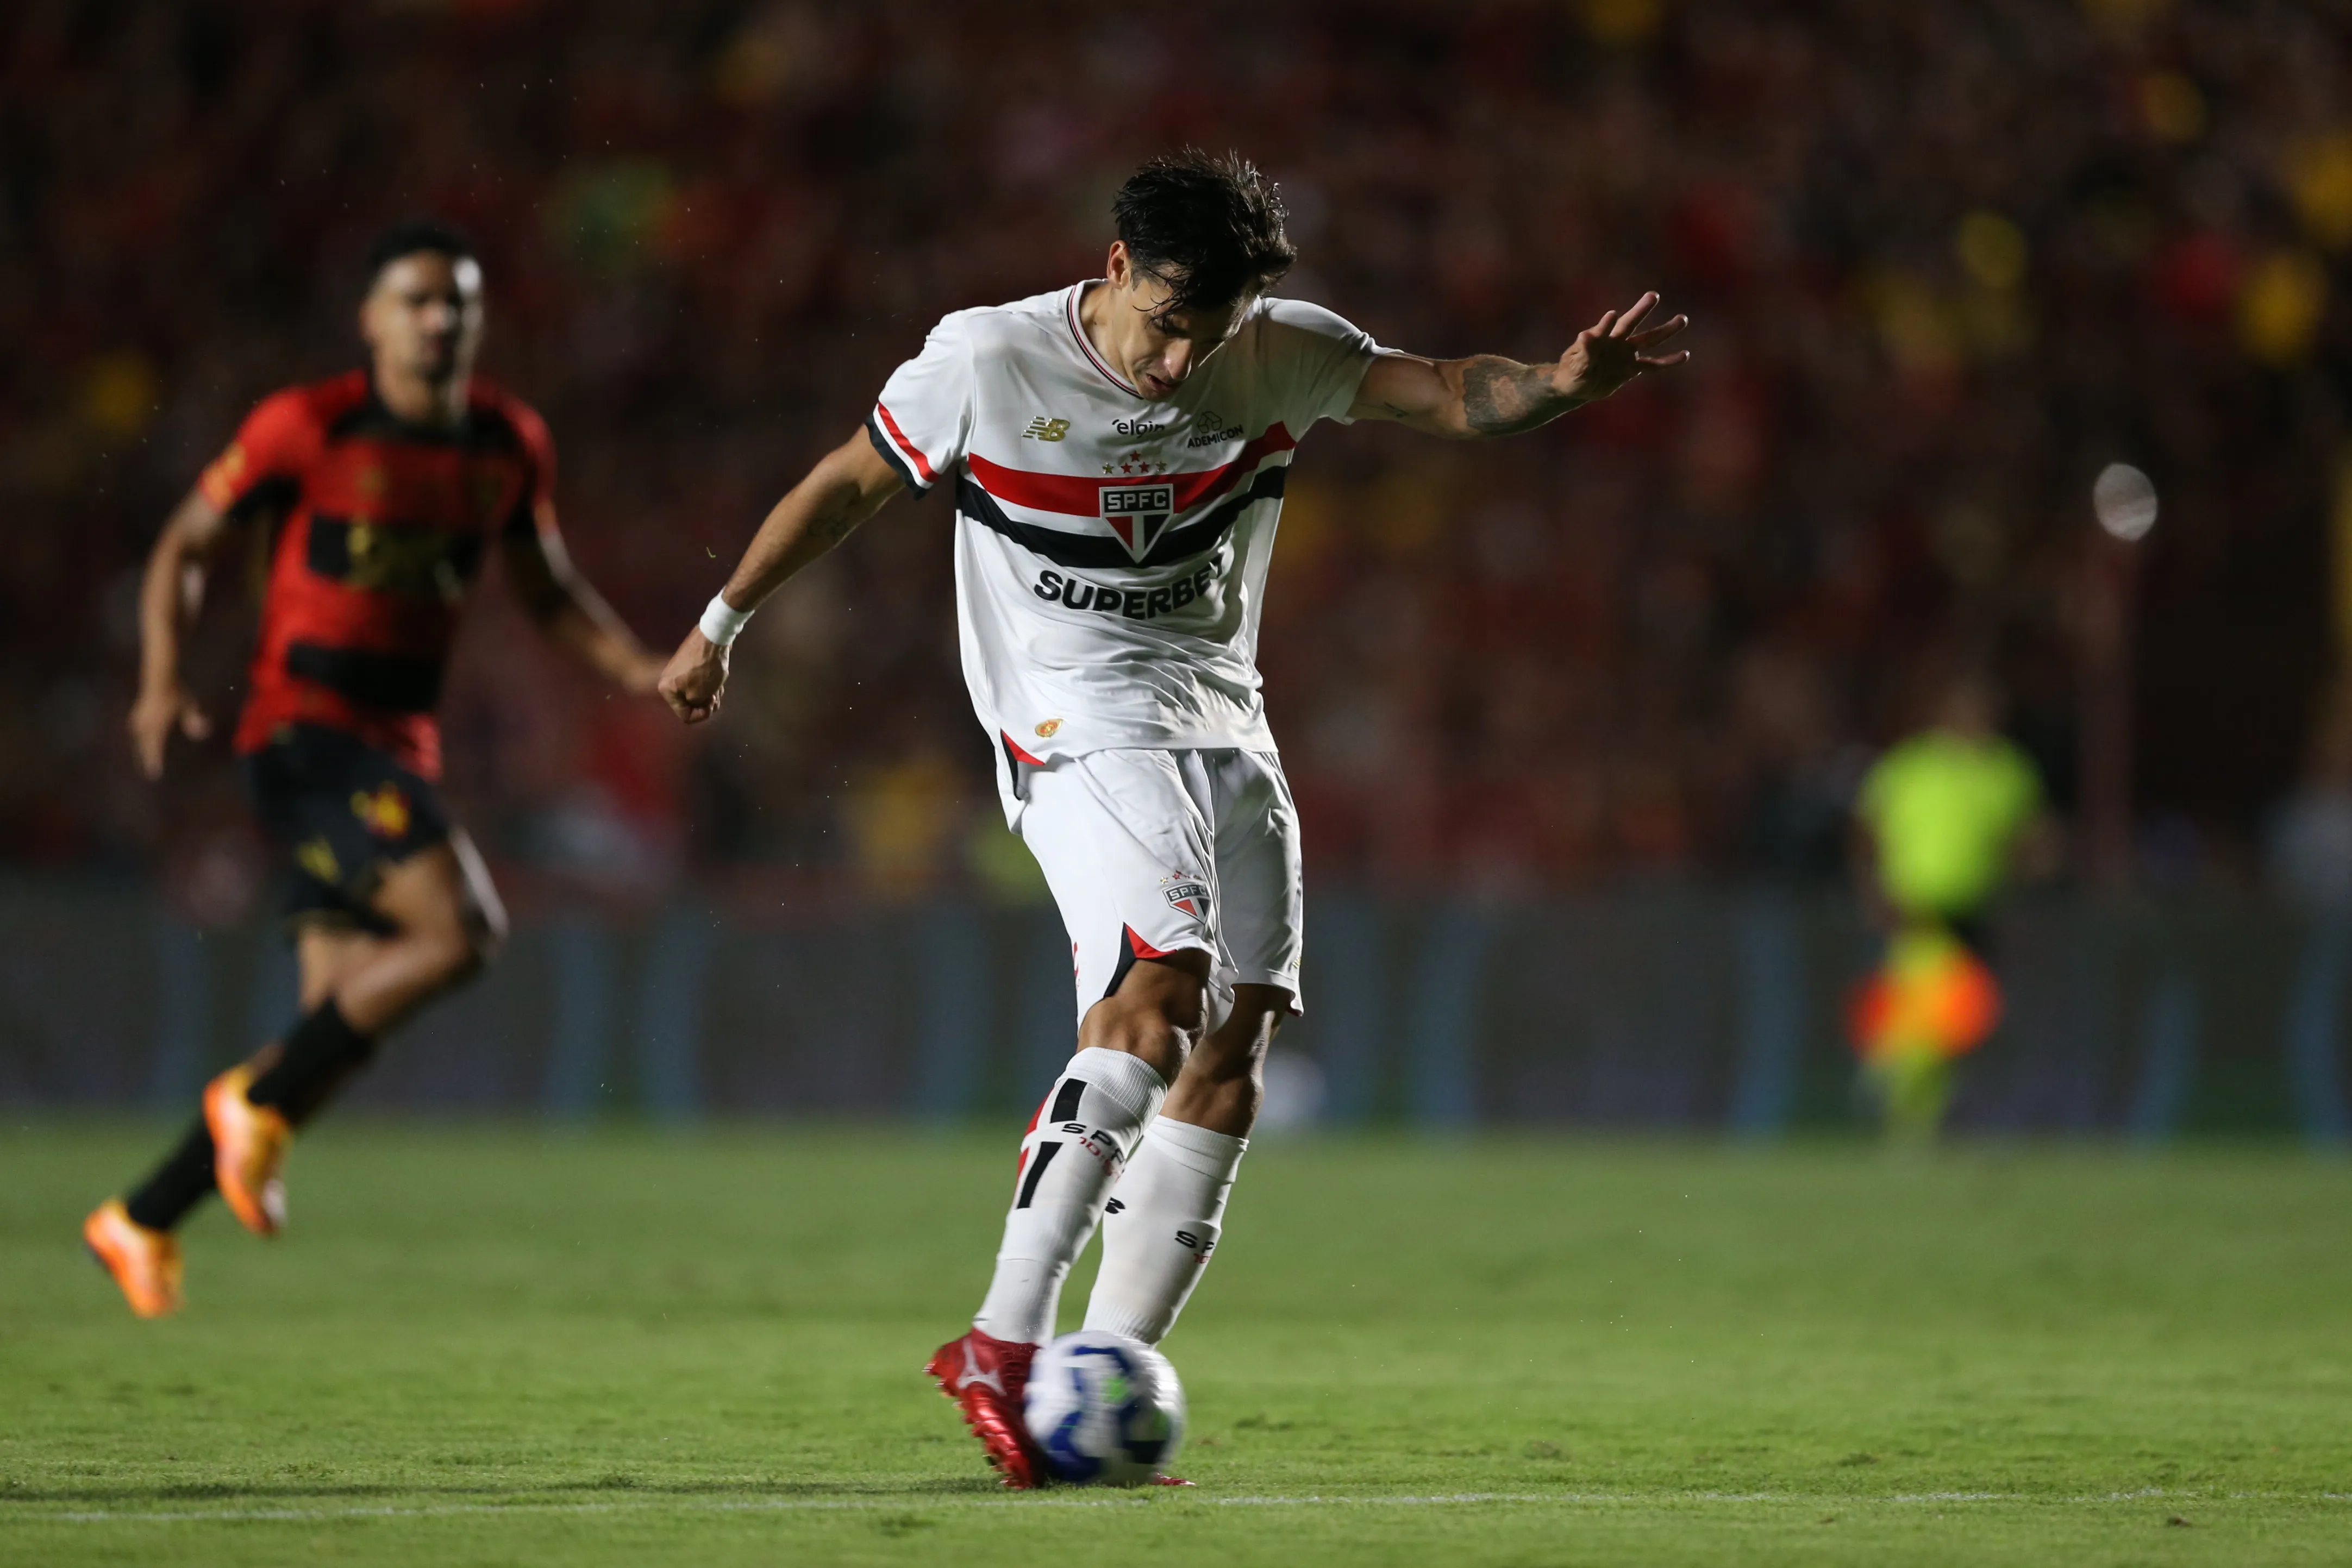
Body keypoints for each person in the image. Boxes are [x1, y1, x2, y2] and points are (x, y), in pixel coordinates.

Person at [655, 150, 1688, 1486]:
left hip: (1222, 718)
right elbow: (850, 481)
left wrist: (1554, 388)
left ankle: (1099, 1378)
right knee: (1159, 994)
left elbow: (1441, 392)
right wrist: (720, 623)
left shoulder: (1274, 354)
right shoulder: (985, 362)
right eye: (1165, 323)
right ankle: (1000, 1341)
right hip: (1075, 720)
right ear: (1115, 268)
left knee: (1235, 1039)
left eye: (1211, 332)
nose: (1176, 362)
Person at [84, 221, 667, 1317]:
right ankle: (245, 1107)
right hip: (304, 733)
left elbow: (543, 587)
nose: (439, 319)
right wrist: (161, 679)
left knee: (332, 1033)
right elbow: (185, 547)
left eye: (458, 302)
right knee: (461, 932)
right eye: (416, 301)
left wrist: (632, 664)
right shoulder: (308, 426)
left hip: (395, 744)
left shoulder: (505, 442)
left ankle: (142, 1216)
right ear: (372, 319)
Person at [1847, 673, 2050, 1141]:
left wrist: (2033, 864)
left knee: (1958, 1018)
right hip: (1918, 906)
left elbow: (2028, 836)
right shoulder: (1910, 768)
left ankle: (1904, 1092)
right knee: (1932, 1007)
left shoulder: (2006, 770)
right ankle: (1902, 1099)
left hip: (1978, 908)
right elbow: (1865, 830)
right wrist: (1873, 890)